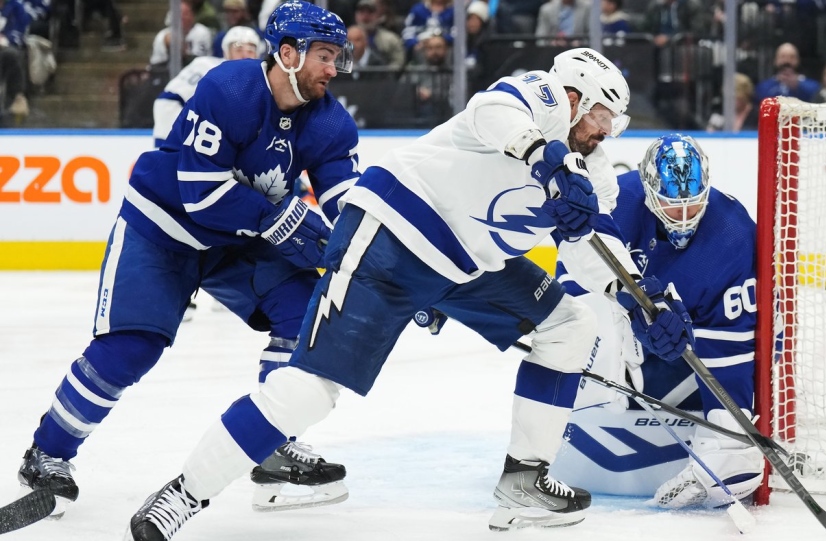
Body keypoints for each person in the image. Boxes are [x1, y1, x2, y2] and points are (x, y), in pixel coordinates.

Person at [124, 47, 690, 540]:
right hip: (391, 234)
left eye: (611, 124)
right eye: (598, 116)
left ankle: (525, 480)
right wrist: (545, 158)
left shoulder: (594, 173)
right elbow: (493, 111)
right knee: (311, 392)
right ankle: (183, 494)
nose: (603, 131)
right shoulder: (539, 97)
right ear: (573, 96)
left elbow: (593, 245)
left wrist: (642, 298)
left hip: (468, 266)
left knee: (570, 326)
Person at [17, 0, 359, 522]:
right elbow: (200, 193)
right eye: (326, 56)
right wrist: (278, 218)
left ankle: (269, 445)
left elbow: (348, 208)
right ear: (288, 53)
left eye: (338, 57)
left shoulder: (332, 123)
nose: (334, 69)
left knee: (306, 313)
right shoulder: (232, 89)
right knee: (132, 346)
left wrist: (384, 258)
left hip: (239, 239)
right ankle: (47, 454)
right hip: (164, 228)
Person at [549, 133, 763, 508]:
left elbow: (732, 342)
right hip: (628, 345)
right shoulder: (616, 200)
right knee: (586, 319)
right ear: (649, 191)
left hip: (690, 351)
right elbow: (573, 279)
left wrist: (729, 437)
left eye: (693, 206)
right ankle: (587, 404)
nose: (683, 217)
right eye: (671, 205)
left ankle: (715, 435)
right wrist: (627, 313)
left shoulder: (733, 232)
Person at [153, 25, 264, 147]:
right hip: (176, 113)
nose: (245, 55)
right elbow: (169, 100)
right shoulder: (206, 65)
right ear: (226, 52)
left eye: (250, 50)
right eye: (238, 50)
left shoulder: (260, 80)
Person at [149, 0, 214, 68]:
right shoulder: (162, 35)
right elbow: (155, 64)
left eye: (186, 14)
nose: (182, 18)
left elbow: (202, 62)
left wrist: (183, 53)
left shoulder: (202, 32)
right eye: (179, 14)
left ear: (192, 16)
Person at [754, 42, 820, 104]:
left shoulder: (812, 86)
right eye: (783, 57)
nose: (787, 61)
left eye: (792, 57)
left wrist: (797, 87)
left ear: (798, 60)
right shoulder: (763, 86)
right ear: (775, 60)